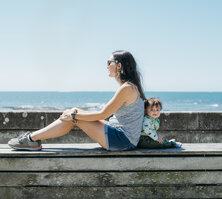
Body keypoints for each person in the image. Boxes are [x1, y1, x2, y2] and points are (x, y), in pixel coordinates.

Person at [8, 50, 145, 151]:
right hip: (120, 136)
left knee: (73, 114)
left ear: (119, 66)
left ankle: (31, 139)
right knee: (73, 113)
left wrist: (73, 116)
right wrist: (73, 114)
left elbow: (102, 114)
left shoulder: (127, 89)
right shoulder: (129, 87)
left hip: (123, 141)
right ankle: (32, 139)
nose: (107, 66)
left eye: (109, 62)